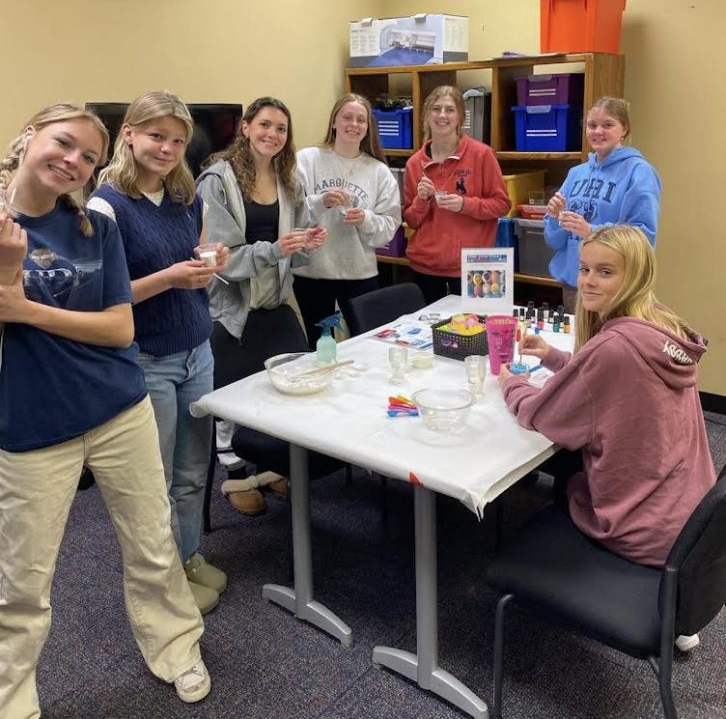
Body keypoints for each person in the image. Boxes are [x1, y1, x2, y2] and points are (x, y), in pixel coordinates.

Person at [0, 104, 211, 715]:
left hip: (119, 408)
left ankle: (176, 646)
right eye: (63, 144)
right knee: (22, 581)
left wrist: (27, 309)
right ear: (30, 136)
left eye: (88, 157)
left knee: (151, 543)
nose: (73, 161)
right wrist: (10, 273)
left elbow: (120, 329)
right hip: (33, 427)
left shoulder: (96, 226)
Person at [499, 224, 715, 576]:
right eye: (584, 269)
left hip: (641, 529)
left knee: (564, 470)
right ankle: (676, 613)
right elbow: (604, 381)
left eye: (606, 272)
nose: (588, 281)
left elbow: (542, 413)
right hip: (688, 521)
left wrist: (512, 383)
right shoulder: (659, 326)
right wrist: (554, 357)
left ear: (636, 277)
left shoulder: (614, 347)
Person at [88, 91, 229, 616]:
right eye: (156, 137)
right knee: (158, 479)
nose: (167, 149)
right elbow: (108, 295)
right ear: (128, 134)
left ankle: (189, 554)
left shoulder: (186, 196)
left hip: (197, 349)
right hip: (148, 357)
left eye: (176, 140)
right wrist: (171, 278)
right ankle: (164, 574)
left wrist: (212, 259)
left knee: (194, 470)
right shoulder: (107, 205)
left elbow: (198, 257)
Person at [196, 96, 326, 516]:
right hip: (231, 308)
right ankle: (233, 469)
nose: (272, 134)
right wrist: (276, 249)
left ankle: (271, 463)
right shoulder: (217, 181)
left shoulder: (290, 179)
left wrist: (306, 244)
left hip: (275, 299)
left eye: (281, 129)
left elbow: (295, 252)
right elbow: (222, 259)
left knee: (289, 382)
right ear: (246, 127)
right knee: (231, 391)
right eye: (265, 125)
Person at [292, 93, 401, 345]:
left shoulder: (379, 172)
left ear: (367, 128)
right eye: (347, 117)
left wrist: (365, 219)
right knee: (319, 345)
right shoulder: (306, 160)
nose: (354, 124)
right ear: (334, 122)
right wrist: (321, 202)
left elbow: (388, 227)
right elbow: (288, 213)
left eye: (361, 120)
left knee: (367, 344)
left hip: (359, 274)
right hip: (313, 273)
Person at [544, 96, 661, 313]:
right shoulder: (575, 174)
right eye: (592, 125)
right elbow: (554, 241)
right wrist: (554, 216)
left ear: (624, 129)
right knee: (578, 346)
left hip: (615, 289)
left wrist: (591, 231)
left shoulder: (639, 172)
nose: (598, 131)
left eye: (608, 125)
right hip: (574, 285)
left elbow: (643, 239)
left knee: (609, 346)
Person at [403, 85, 510, 304]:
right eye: (436, 109)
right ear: (427, 115)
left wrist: (465, 204)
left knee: (479, 332)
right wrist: (421, 200)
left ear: (460, 116)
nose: (442, 115)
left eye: (450, 110)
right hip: (426, 266)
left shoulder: (482, 154)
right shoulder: (414, 163)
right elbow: (411, 219)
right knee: (426, 335)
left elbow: (502, 205)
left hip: (478, 263)